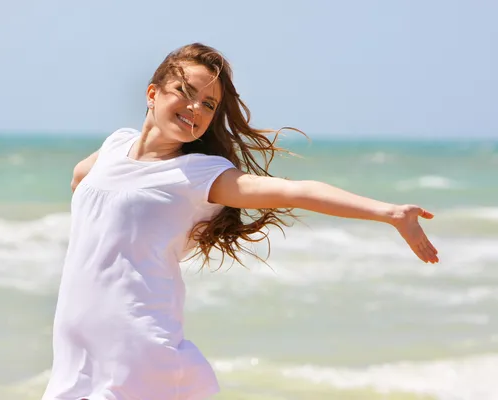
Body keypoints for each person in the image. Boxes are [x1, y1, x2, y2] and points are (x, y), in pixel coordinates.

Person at [42, 43, 439, 400]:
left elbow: (294, 191)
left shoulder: (198, 174)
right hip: (77, 351)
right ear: (152, 93)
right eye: (186, 92)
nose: (196, 108)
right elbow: (82, 178)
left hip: (136, 353)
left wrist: (387, 213)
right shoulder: (115, 146)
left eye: (209, 104)